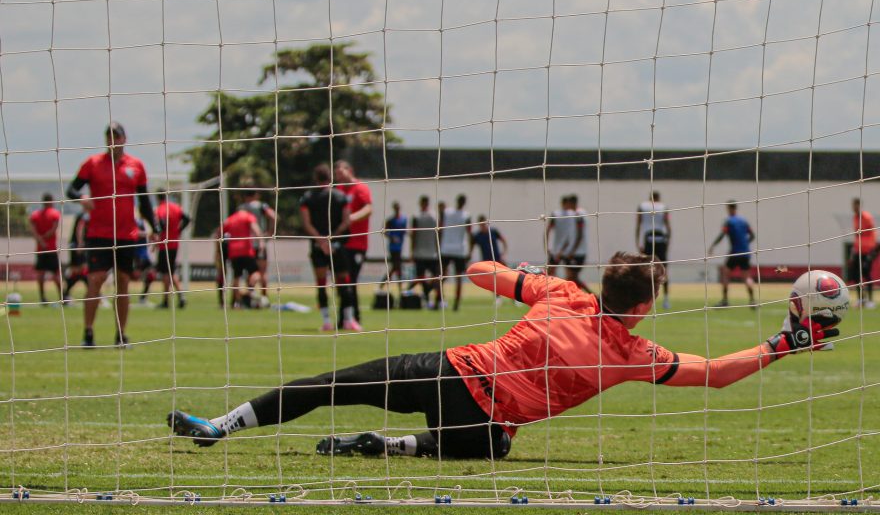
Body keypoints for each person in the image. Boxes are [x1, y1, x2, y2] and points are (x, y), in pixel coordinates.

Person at [167, 253, 840, 459]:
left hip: (443, 372)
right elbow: (718, 377)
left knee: (326, 382)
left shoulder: (563, 294)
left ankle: (222, 426)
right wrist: (784, 343)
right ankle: (389, 446)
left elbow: (477, 271)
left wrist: (521, 273)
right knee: (495, 447)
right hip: (480, 421)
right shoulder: (633, 353)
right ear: (642, 305)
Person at [66, 122, 157, 348]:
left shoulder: (136, 166)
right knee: (95, 280)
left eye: (116, 136)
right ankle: (88, 333)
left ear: (124, 139)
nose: (113, 140)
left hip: (127, 235)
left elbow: (145, 201)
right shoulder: (93, 164)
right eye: (109, 136)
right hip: (98, 234)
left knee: (124, 282)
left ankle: (121, 335)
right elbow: (72, 189)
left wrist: (154, 227)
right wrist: (81, 199)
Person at [299, 164, 358, 331]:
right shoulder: (341, 197)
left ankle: (326, 321)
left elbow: (306, 223)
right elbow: (347, 221)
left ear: (315, 178)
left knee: (321, 283)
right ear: (330, 178)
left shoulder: (307, 198)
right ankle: (348, 319)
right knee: (344, 282)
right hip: (338, 244)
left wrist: (321, 241)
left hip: (318, 247)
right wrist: (331, 239)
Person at [334, 161, 372, 325]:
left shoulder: (360, 188)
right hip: (341, 243)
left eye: (341, 172)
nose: (339, 176)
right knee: (342, 281)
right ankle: (344, 318)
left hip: (357, 243)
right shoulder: (338, 190)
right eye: (336, 173)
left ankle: (353, 317)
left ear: (350, 170)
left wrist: (349, 219)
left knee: (351, 280)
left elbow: (368, 209)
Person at [708, 201, 756, 308]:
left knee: (725, 273)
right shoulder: (744, 221)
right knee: (746, 276)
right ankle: (752, 300)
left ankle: (725, 300)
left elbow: (722, 235)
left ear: (729, 209)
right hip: (745, 252)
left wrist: (713, 245)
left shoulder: (729, 221)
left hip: (735, 252)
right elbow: (752, 236)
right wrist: (745, 244)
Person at [239, 190, 276, 307]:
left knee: (249, 272)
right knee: (262, 272)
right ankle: (264, 297)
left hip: (247, 244)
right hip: (260, 243)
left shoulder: (241, 208)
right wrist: (270, 232)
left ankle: (251, 296)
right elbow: (273, 216)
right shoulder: (261, 206)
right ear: (256, 195)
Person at [156, 189, 192, 309]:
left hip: (164, 244)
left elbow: (161, 223)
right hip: (174, 243)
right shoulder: (175, 207)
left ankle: (167, 300)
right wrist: (178, 230)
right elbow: (187, 219)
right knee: (170, 272)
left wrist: (159, 234)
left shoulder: (160, 209)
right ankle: (179, 297)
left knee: (166, 273)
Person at [222, 207, 263, 309]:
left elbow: (220, 232)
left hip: (233, 252)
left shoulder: (230, 219)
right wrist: (261, 241)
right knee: (256, 273)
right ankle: (250, 291)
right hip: (246, 251)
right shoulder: (248, 216)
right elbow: (255, 228)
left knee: (236, 276)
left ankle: (237, 302)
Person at [636, 191, 671, 309]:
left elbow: (638, 224)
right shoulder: (664, 207)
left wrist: (638, 242)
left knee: (647, 270)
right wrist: (668, 243)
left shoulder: (642, 206)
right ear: (658, 197)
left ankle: (646, 300)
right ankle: (666, 299)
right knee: (663, 270)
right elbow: (668, 226)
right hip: (661, 239)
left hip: (648, 239)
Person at [408, 195, 441, 309]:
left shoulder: (416, 216)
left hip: (420, 253)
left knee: (422, 277)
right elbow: (439, 234)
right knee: (436, 277)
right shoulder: (434, 216)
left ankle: (428, 297)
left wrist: (411, 251)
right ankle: (437, 300)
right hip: (432, 253)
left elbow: (413, 235)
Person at [439, 194, 472, 311]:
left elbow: (440, 228)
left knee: (442, 276)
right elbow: (470, 234)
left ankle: (439, 299)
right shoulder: (466, 216)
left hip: (446, 248)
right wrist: (470, 251)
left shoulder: (447, 212)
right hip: (459, 250)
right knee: (457, 277)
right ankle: (455, 303)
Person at [29, 193, 62, 304]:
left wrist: (40, 240)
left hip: (41, 248)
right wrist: (45, 239)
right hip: (51, 248)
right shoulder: (55, 213)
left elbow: (33, 230)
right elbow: (54, 229)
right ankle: (62, 297)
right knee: (56, 274)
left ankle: (42, 298)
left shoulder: (35, 215)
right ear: (51, 201)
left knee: (41, 274)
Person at [848, 198, 878, 308]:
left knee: (866, 273)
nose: (854, 207)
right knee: (856, 275)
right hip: (858, 250)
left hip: (868, 250)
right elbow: (857, 235)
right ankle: (861, 299)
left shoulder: (866, 217)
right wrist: (853, 250)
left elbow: (872, 233)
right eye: (853, 205)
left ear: (859, 205)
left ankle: (870, 300)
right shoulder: (855, 218)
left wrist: (872, 251)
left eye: (855, 205)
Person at [564, 195, 591, 293]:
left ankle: (592, 295)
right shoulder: (578, 213)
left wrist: (572, 251)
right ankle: (576, 295)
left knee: (571, 277)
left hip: (578, 252)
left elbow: (579, 235)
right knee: (571, 278)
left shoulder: (579, 214)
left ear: (571, 203)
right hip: (576, 251)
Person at [62, 210, 90, 302]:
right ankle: (94, 293)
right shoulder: (85, 215)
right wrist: (80, 244)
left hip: (75, 246)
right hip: (78, 247)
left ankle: (65, 294)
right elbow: (80, 227)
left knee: (79, 271)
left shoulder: (82, 214)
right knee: (82, 269)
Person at [381, 201, 407, 295]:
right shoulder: (390, 220)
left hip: (400, 247)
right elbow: (384, 231)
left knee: (396, 268)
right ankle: (398, 289)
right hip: (393, 248)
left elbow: (404, 231)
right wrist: (392, 237)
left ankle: (383, 284)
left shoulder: (404, 219)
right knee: (397, 267)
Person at [546, 195, 574, 277]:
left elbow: (572, 233)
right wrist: (547, 246)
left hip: (567, 249)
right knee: (550, 272)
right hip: (557, 249)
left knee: (571, 276)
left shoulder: (573, 214)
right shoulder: (556, 214)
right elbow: (548, 230)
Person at [133, 216, 157, 304]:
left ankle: (143, 298)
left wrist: (152, 242)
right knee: (129, 277)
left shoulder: (145, 221)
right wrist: (148, 234)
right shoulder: (134, 220)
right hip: (135, 255)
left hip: (144, 255)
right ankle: (121, 297)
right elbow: (133, 233)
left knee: (151, 275)